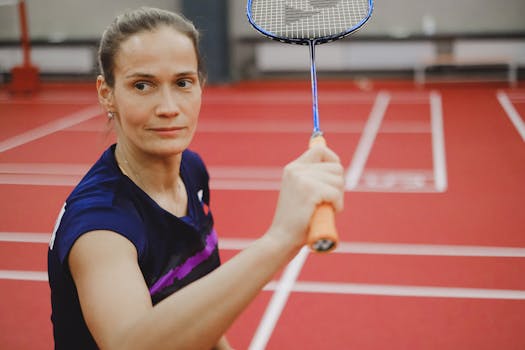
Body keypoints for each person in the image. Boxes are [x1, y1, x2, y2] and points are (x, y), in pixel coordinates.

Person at [47, 7, 344, 350]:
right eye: (143, 85)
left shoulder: (191, 169)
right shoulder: (100, 226)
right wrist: (279, 240)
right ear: (106, 93)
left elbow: (193, 301)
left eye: (183, 83)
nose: (169, 107)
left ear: (201, 85)